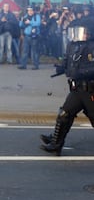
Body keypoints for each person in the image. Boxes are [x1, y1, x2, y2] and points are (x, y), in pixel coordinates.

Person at [40, 18, 94, 155]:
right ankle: (56, 143)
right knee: (65, 114)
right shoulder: (73, 45)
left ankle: (56, 141)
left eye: (83, 32)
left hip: (89, 89)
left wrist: (78, 72)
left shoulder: (92, 46)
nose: (80, 35)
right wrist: (62, 68)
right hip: (77, 89)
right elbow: (68, 61)